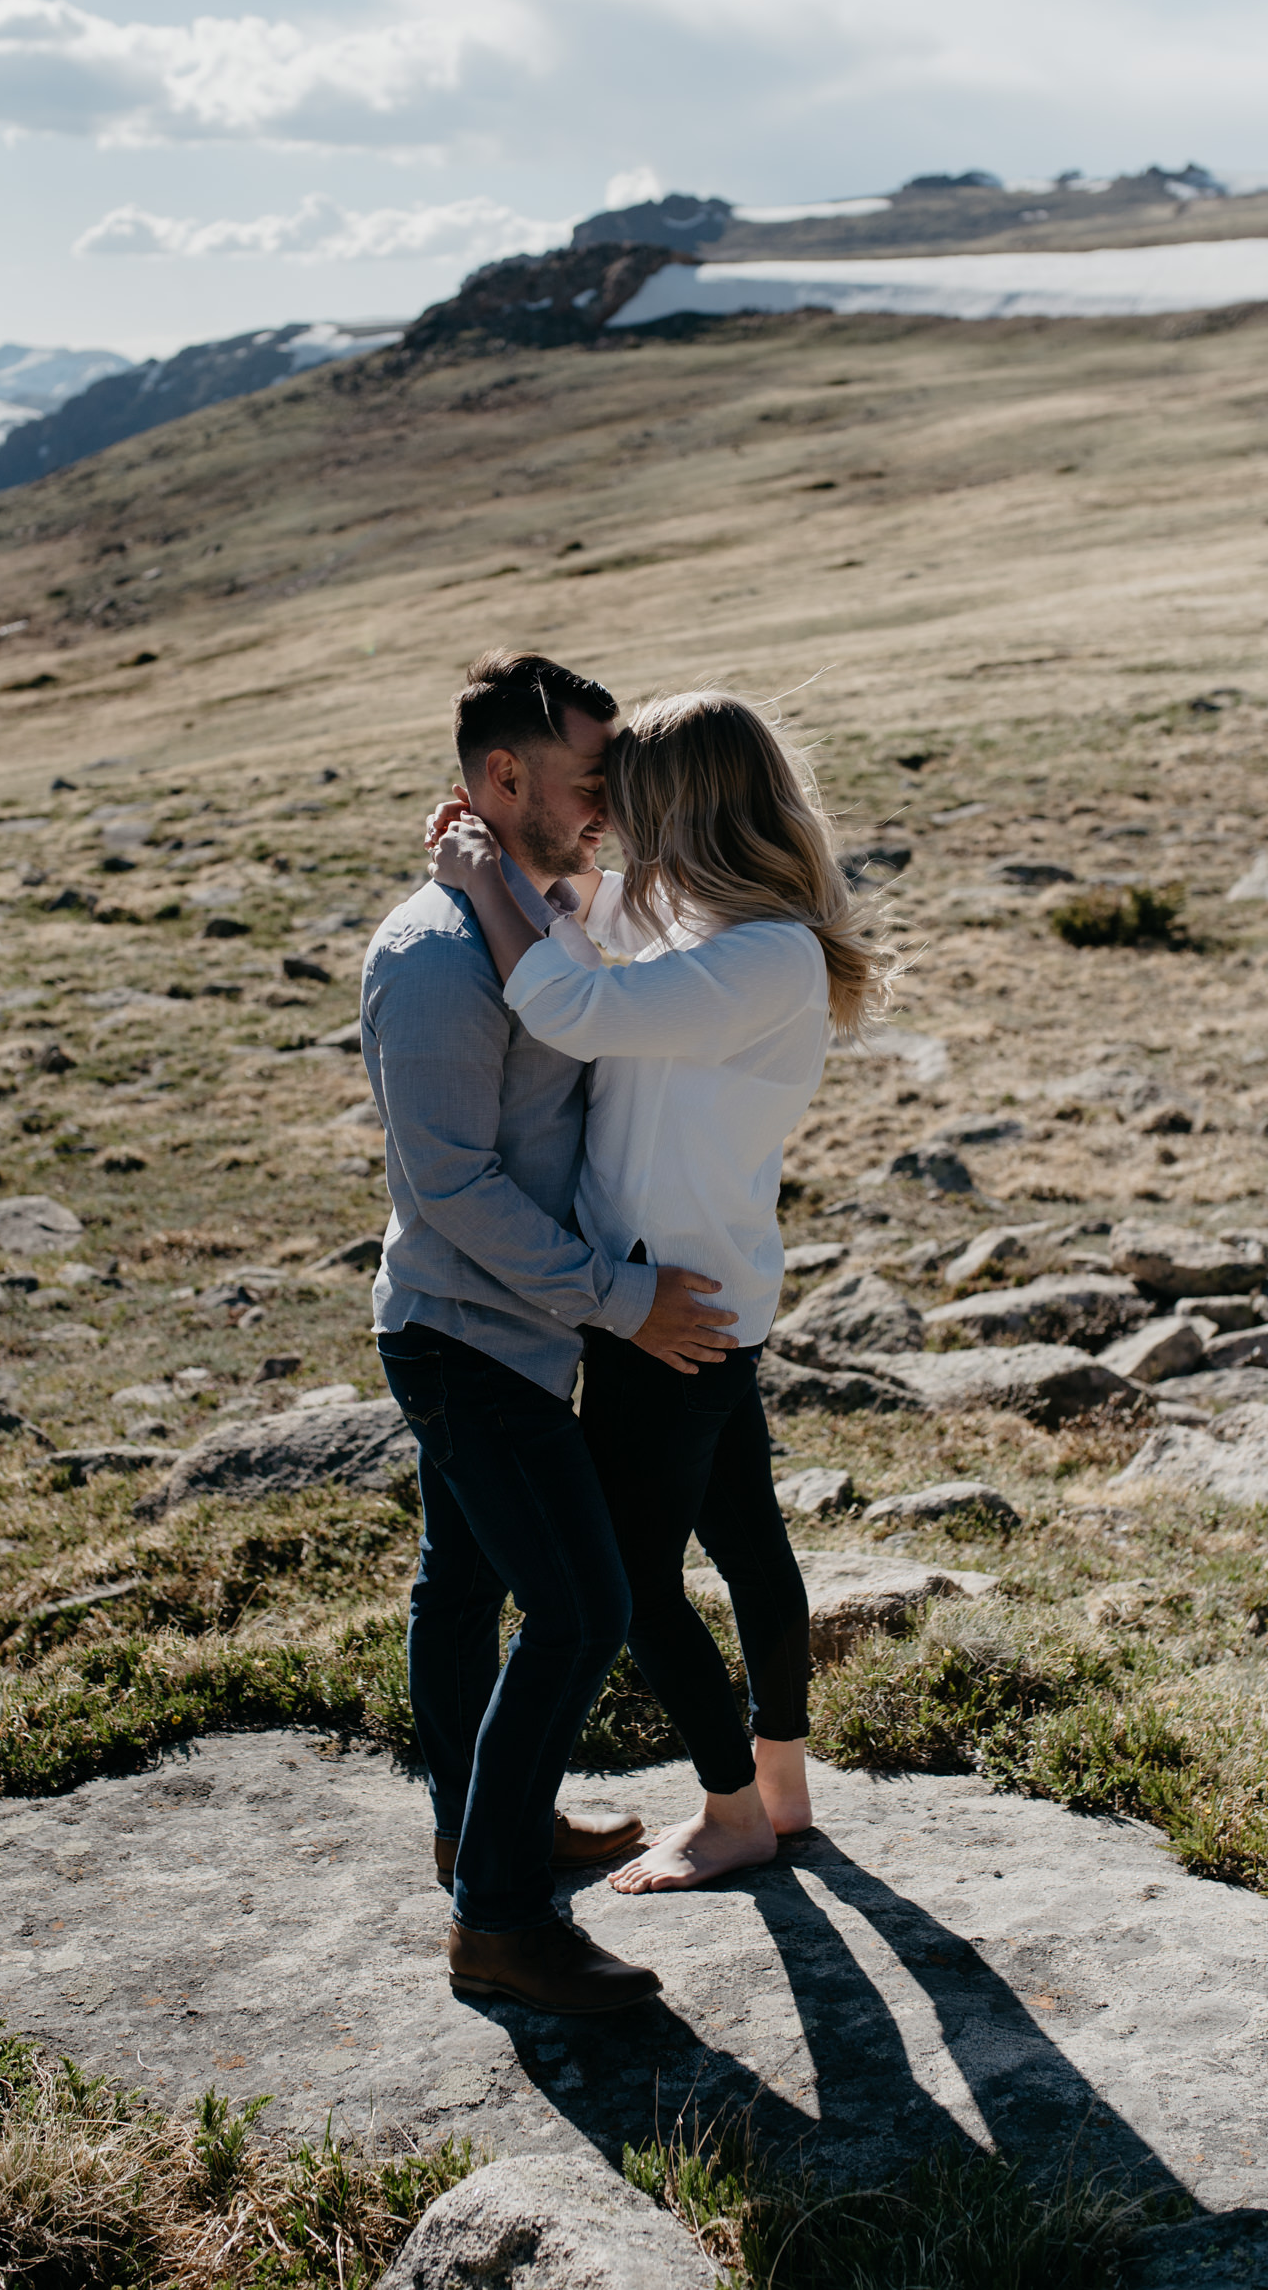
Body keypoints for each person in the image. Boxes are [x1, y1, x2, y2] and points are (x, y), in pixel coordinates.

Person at [429, 688, 885, 1893]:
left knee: (631, 1579)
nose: (608, 822)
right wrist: (506, 851)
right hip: (703, 1288)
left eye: (624, 803)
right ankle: (780, 1789)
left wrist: (483, 884)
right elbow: (578, 912)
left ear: (681, 808)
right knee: (743, 1535)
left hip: (666, 1306)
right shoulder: (700, 915)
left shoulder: (761, 953)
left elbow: (572, 1003)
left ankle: (731, 1812)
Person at [361, 650, 740, 2012]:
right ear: (502, 776)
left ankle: (481, 1833)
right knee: (578, 1612)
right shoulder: (434, 956)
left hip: (516, 1335)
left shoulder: (536, 910)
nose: (610, 808)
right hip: (466, 1338)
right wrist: (624, 1301)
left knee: (462, 1593)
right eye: (592, 783)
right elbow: (448, 1189)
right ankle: (501, 1924)